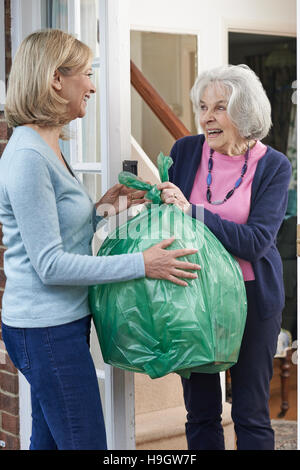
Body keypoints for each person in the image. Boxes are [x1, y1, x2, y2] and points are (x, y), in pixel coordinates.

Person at [0, 29, 201, 450]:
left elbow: (56, 234)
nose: (92, 85)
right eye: (87, 74)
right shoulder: (27, 157)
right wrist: (143, 264)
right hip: (46, 330)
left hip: (60, 326)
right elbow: (50, 265)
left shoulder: (46, 146)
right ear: (57, 79)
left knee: (51, 443)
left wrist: (101, 209)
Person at [158, 64, 292, 450]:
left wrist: (192, 212)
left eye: (219, 107)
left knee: (250, 413)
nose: (206, 118)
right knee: (200, 412)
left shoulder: (274, 166)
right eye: (202, 106)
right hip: (195, 295)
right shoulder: (185, 151)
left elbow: (255, 243)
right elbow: (172, 218)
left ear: (245, 112)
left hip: (252, 300)